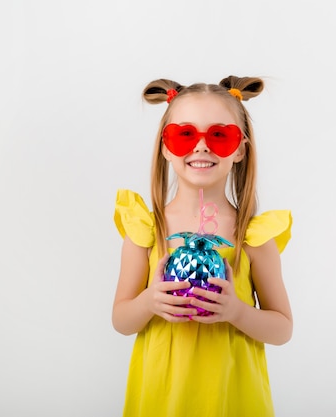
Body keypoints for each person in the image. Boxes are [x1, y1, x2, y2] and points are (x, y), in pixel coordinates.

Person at [112, 75, 293, 416]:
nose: (201, 147)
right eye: (185, 134)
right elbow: (121, 320)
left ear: (240, 149)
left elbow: (282, 327)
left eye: (219, 136)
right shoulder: (146, 229)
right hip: (162, 397)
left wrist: (236, 311)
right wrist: (150, 300)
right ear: (166, 147)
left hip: (232, 398)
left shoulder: (252, 236)